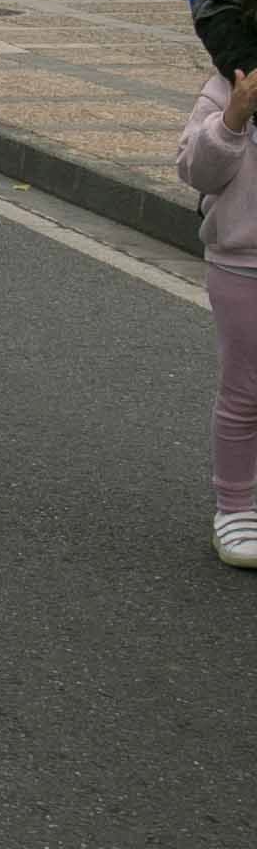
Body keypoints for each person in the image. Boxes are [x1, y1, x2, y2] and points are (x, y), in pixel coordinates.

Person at [178, 68, 257, 568]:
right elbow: (195, 170)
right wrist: (233, 118)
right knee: (245, 392)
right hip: (244, 261)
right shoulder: (229, 85)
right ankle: (236, 507)